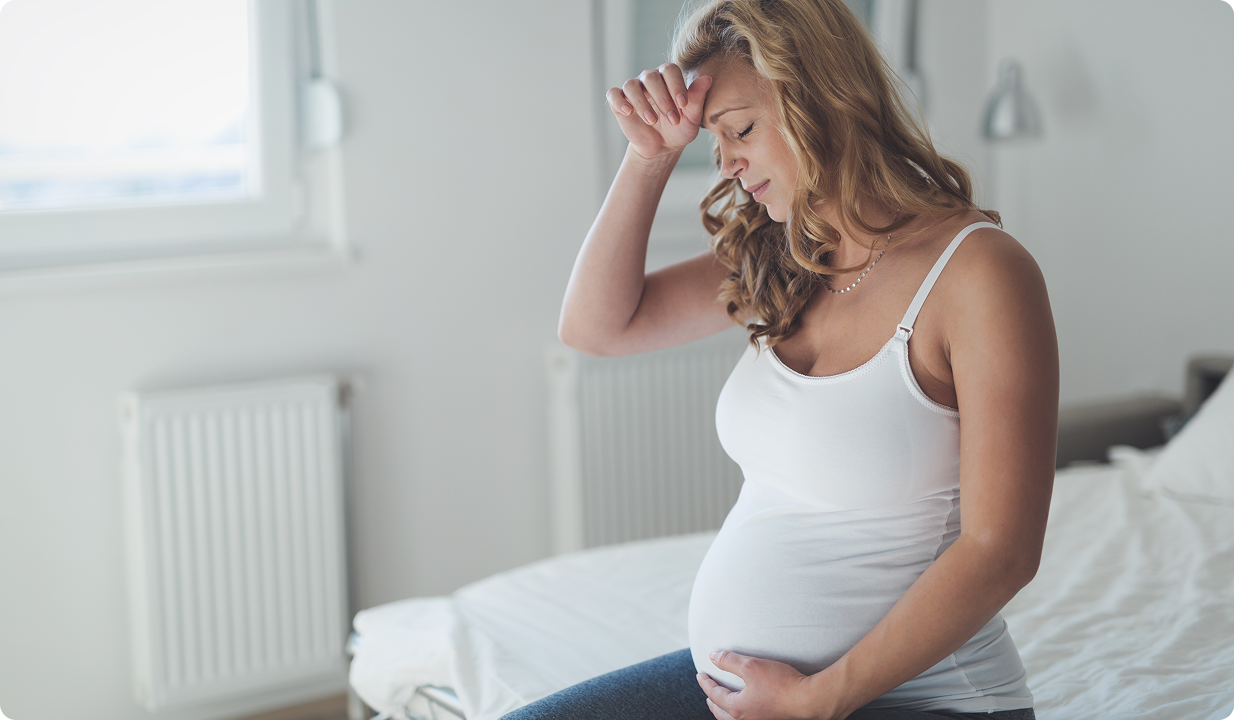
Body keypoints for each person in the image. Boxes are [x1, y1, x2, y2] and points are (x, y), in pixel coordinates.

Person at [505, 0, 1057, 718]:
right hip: (751, 694)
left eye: (738, 129)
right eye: (714, 141)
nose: (727, 163)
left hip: (918, 702)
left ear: (819, 99)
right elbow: (595, 328)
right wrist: (649, 158)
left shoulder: (979, 275)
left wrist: (814, 701)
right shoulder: (787, 253)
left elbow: (1000, 552)